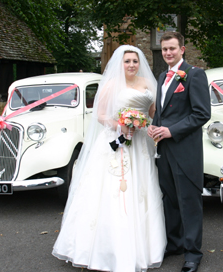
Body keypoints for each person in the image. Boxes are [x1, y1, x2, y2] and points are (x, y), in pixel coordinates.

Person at [53, 45, 167, 272]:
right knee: (109, 192)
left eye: (135, 61)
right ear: (120, 64)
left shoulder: (147, 83)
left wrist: (150, 125)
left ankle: (142, 247)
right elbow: (100, 114)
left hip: (140, 145)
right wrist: (120, 126)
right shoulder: (111, 85)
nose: (132, 65)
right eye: (127, 62)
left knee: (141, 190)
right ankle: (105, 249)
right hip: (115, 142)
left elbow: (154, 112)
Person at [148, 32, 211, 272]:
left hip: (185, 150)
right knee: (170, 200)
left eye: (172, 48)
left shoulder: (194, 74)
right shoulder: (162, 76)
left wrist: (171, 131)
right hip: (164, 150)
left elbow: (201, 113)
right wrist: (155, 125)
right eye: (164, 49)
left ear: (182, 49)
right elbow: (162, 111)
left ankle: (193, 253)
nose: (168, 53)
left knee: (189, 201)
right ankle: (174, 243)